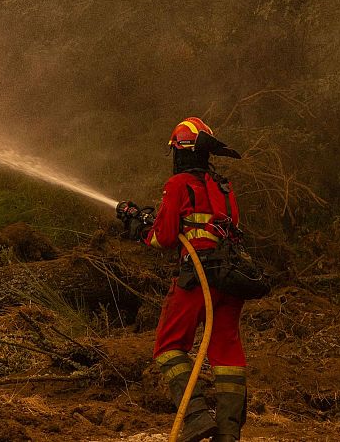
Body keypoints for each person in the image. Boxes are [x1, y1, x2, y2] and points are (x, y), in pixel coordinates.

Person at [141, 117, 248, 442]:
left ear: (179, 151)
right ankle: (228, 434)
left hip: (196, 277)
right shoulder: (224, 187)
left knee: (169, 348)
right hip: (230, 281)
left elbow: (166, 236)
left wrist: (142, 231)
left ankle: (197, 417)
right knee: (227, 355)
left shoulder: (178, 185)